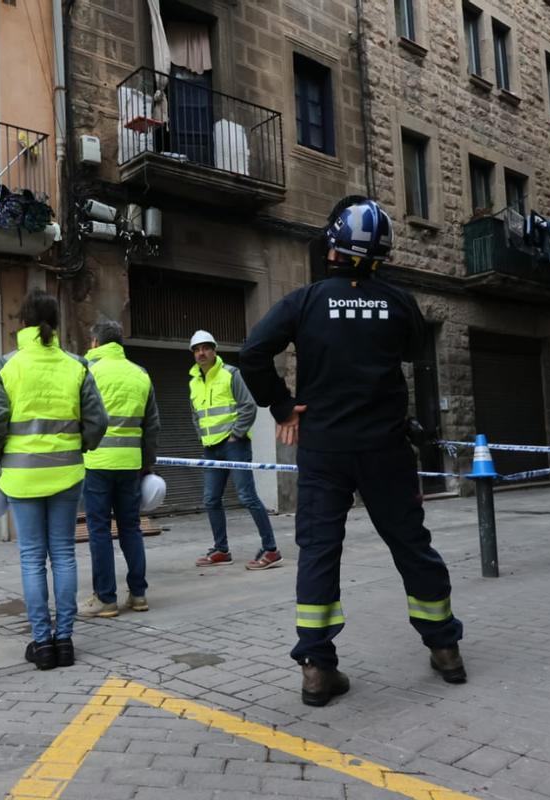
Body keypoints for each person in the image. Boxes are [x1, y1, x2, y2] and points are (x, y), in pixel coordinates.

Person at [238, 196, 465, 707]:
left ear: (333, 246)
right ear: (383, 252)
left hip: (324, 451)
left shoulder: (307, 300)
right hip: (386, 448)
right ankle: (445, 647)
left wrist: (282, 406)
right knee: (410, 543)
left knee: (319, 550)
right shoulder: (401, 303)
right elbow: (408, 353)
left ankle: (317, 667)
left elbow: (252, 353)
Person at [0, 290, 107, 670]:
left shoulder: (5, 366)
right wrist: (79, 446)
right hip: (67, 472)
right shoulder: (77, 366)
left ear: (22, 324)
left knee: (32, 558)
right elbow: (97, 422)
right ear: (56, 323)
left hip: (21, 475)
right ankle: (64, 641)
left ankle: (42, 644)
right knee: (63, 555)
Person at [77, 319, 161, 618]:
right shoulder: (140, 374)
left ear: (96, 342)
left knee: (99, 530)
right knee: (131, 527)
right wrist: (146, 464)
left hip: (97, 463)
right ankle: (138, 595)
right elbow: (151, 425)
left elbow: (78, 418)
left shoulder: (87, 371)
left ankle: (106, 599)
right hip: (130, 465)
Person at [188, 330, 282, 570]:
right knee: (210, 499)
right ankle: (221, 550)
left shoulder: (231, 374)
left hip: (234, 445)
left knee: (247, 497)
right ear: (193, 354)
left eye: (206, 348)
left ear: (214, 350)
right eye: (197, 349)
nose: (201, 353)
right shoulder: (193, 381)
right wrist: (202, 437)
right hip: (211, 448)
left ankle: (271, 550)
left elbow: (248, 406)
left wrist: (235, 435)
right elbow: (195, 414)